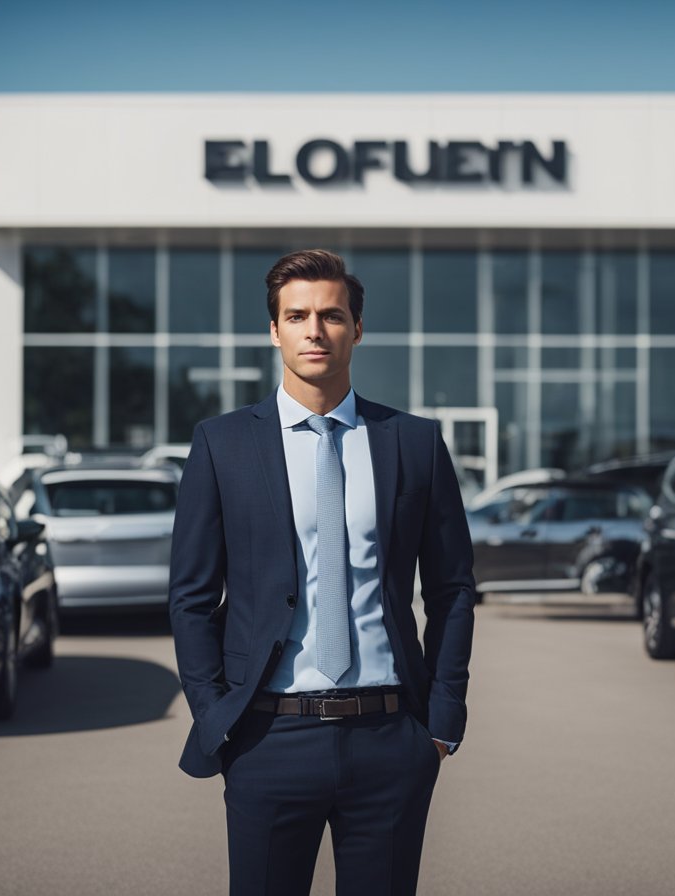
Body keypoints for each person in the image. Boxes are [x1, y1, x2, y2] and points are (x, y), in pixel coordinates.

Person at [169, 248, 476, 896]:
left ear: (357, 328)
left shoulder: (413, 443)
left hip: (391, 736)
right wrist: (214, 719)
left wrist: (443, 718)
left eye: (331, 315)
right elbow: (191, 598)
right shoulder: (222, 444)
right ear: (273, 329)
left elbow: (452, 589)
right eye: (297, 315)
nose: (315, 329)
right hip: (269, 737)